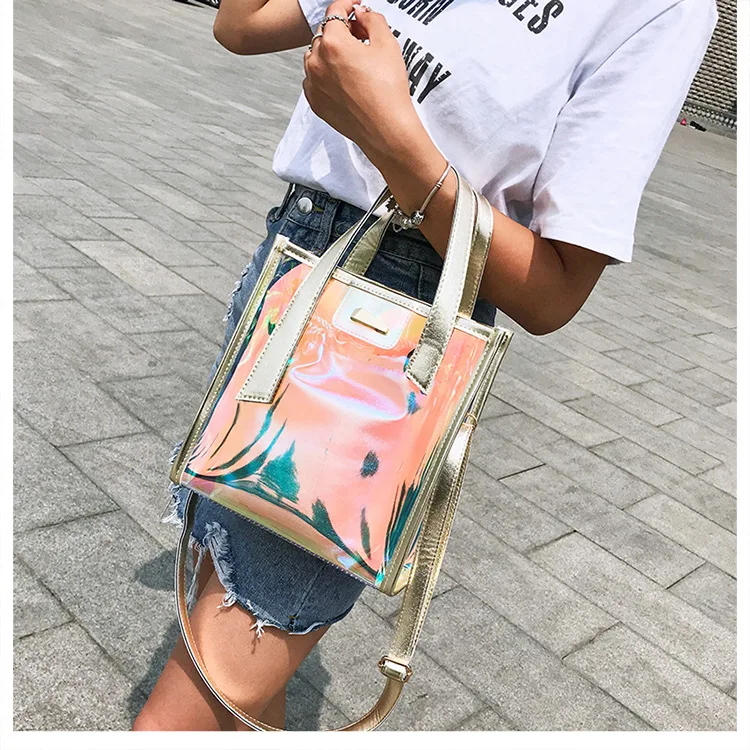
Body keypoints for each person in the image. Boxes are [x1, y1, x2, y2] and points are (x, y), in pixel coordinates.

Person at [133, 0, 717, 731]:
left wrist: (392, 138)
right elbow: (240, 24)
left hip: (388, 340)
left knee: (186, 709)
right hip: (290, 267)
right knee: (240, 673)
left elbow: (554, 291)